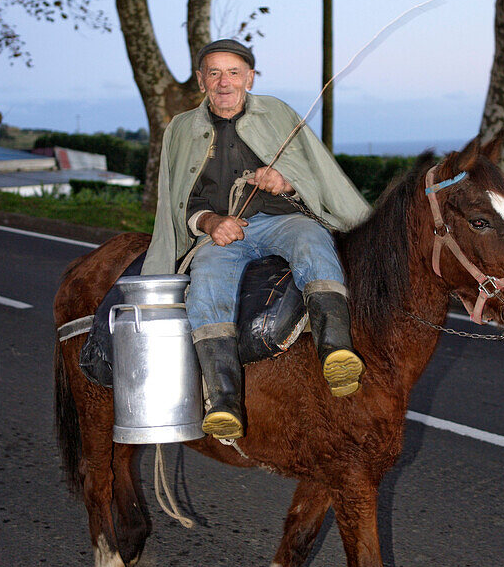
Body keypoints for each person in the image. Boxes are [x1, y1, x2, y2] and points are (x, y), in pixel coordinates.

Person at [142, 38, 371, 440]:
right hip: (224, 234)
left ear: (249, 78)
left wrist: (286, 182)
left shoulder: (277, 112)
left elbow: (312, 173)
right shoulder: (180, 129)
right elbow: (179, 200)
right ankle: (223, 400)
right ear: (201, 81)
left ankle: (335, 349)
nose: (224, 82)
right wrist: (211, 221)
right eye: (214, 73)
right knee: (208, 277)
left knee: (311, 241)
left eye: (233, 72)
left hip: (284, 220)